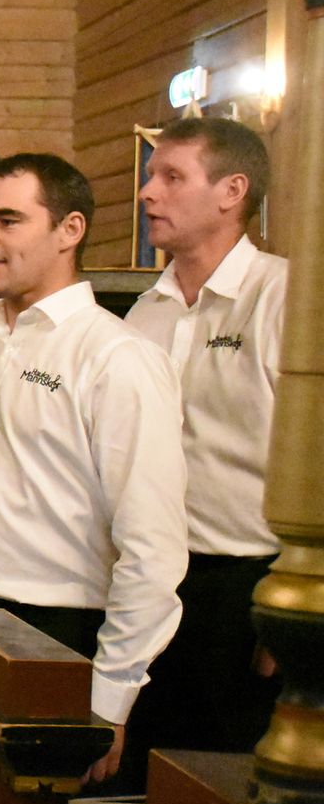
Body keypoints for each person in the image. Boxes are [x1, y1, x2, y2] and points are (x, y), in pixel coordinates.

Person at [0, 154, 186, 788]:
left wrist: (110, 699)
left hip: (60, 639)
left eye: (9, 220)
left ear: (69, 230)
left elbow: (151, 550)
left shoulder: (117, 358)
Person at [125, 117, 284, 763]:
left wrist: (301, 611)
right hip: (150, 580)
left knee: (228, 791)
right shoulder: (145, 312)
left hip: (246, 588)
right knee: (146, 780)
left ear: (232, 191)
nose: (146, 193)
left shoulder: (282, 296)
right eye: (148, 175)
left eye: (170, 177)